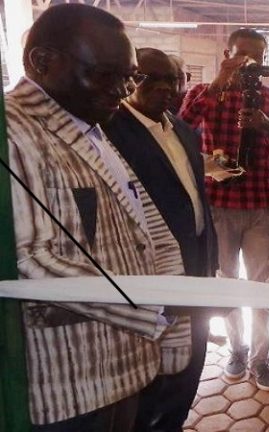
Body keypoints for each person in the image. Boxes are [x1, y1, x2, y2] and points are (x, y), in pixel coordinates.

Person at [7, 4, 189, 430]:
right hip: (70, 380)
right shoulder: (14, 130)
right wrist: (160, 302)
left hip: (121, 364)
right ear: (43, 61)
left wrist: (179, 290)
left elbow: (144, 222)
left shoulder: (87, 124)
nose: (122, 91)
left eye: (129, 77)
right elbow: (29, 260)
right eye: (105, 75)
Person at [102, 48, 219, 431]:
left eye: (172, 79)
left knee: (192, 357)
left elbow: (194, 198)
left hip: (197, 264)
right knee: (154, 370)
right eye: (150, 77)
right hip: (152, 273)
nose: (165, 87)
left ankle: (174, 421)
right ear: (130, 80)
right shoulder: (109, 132)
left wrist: (209, 258)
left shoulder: (181, 129)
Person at [180, 28, 269, 391]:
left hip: (261, 205)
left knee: (262, 286)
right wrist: (219, 83)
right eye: (241, 54)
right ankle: (236, 349)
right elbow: (180, 129)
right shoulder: (204, 93)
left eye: (256, 57)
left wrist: (268, 127)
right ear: (227, 55)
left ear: (265, 60)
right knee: (226, 282)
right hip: (219, 205)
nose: (249, 62)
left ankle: (261, 359)